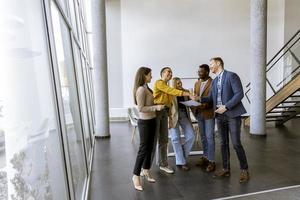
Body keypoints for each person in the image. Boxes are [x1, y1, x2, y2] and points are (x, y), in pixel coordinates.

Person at [201, 57, 250, 183]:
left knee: (236, 143)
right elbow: (210, 98)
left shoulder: (232, 76)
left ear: (218, 63)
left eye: (211, 64)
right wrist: (197, 98)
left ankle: (244, 170)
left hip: (232, 114)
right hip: (220, 115)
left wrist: (226, 106)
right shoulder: (214, 80)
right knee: (223, 143)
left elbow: (239, 94)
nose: (210, 66)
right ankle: (225, 168)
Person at [153, 67, 194, 174]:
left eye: (171, 72)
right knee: (171, 139)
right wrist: (188, 94)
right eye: (168, 72)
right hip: (162, 113)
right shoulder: (160, 83)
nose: (170, 73)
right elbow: (171, 94)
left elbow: (169, 105)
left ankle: (180, 159)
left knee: (190, 136)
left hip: (174, 115)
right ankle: (177, 162)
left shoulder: (172, 88)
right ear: (162, 73)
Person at [132, 67, 165, 191]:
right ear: (144, 75)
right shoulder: (141, 90)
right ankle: (135, 175)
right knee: (143, 149)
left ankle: (146, 170)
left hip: (151, 121)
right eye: (150, 74)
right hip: (145, 123)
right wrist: (155, 107)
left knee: (150, 147)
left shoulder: (147, 88)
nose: (152, 76)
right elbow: (141, 108)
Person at [169, 77, 195, 171]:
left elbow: (191, 104)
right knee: (175, 138)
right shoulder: (170, 92)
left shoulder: (186, 92)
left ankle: (181, 156)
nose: (180, 85)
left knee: (191, 136)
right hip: (173, 116)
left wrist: (194, 101)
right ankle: (181, 162)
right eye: (178, 84)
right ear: (173, 84)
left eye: (180, 83)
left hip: (184, 115)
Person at [193, 64, 216, 172]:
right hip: (199, 113)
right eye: (198, 71)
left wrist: (204, 105)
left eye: (201, 71)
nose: (198, 73)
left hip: (208, 113)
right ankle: (205, 157)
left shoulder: (213, 83)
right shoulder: (197, 83)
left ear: (207, 72)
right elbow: (195, 98)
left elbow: (213, 99)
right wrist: (194, 109)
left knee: (209, 137)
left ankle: (211, 161)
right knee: (203, 136)